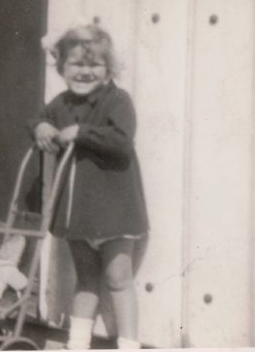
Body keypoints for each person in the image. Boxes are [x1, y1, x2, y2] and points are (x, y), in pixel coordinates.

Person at [31, 24, 148, 350]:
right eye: (76, 64)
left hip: (114, 211)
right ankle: (77, 344)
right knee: (85, 281)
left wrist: (81, 132)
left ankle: (129, 346)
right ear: (62, 67)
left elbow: (122, 141)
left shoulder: (117, 100)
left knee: (119, 280)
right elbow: (38, 118)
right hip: (78, 212)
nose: (85, 72)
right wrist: (40, 125)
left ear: (108, 68)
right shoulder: (60, 104)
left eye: (94, 64)